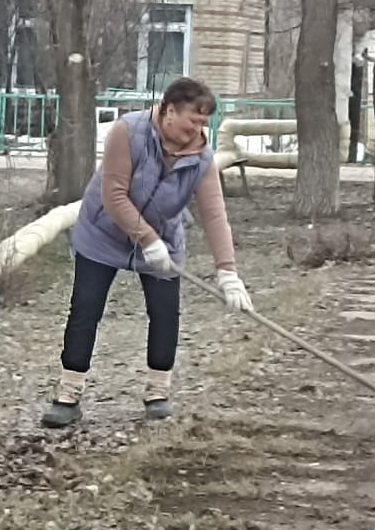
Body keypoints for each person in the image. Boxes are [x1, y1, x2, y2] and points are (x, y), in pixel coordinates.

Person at [40, 76, 254, 428]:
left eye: (205, 122)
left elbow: (215, 215)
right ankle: (69, 393)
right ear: (169, 111)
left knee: (165, 312)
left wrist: (227, 273)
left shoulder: (200, 157)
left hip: (164, 239)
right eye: (193, 120)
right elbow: (115, 194)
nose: (199, 129)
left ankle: (158, 391)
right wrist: (146, 239)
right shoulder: (128, 132)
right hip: (103, 232)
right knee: (85, 307)